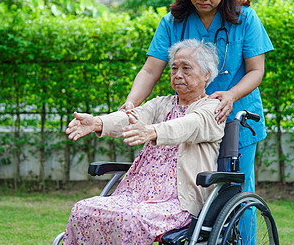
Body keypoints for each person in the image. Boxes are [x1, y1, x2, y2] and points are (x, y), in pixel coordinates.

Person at [121, 0, 273, 241]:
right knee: (188, 194)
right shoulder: (172, 22)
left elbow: (256, 71)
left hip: (236, 120)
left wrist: (229, 95)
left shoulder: (245, 19)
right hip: (189, 121)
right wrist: (132, 102)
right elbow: (151, 70)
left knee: (236, 195)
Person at [62, 39, 225, 245]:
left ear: (207, 74)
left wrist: (152, 131)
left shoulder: (213, 109)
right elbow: (131, 116)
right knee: (82, 209)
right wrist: (97, 122)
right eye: (174, 68)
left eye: (186, 68)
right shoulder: (161, 103)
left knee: (130, 219)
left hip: (176, 201)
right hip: (135, 193)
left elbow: (187, 125)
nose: (178, 75)